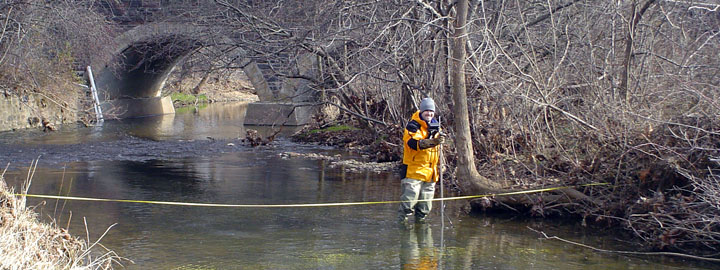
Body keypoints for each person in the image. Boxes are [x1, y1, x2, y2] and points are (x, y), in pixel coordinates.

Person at [399, 97, 446, 224]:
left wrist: (442, 164)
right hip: (413, 173)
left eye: (431, 111)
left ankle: (421, 232)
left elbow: (439, 149)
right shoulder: (413, 126)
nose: (429, 114)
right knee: (408, 205)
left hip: (431, 174)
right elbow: (414, 143)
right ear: (422, 111)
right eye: (427, 111)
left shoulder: (437, 127)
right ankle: (403, 230)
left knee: (425, 208)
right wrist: (433, 141)